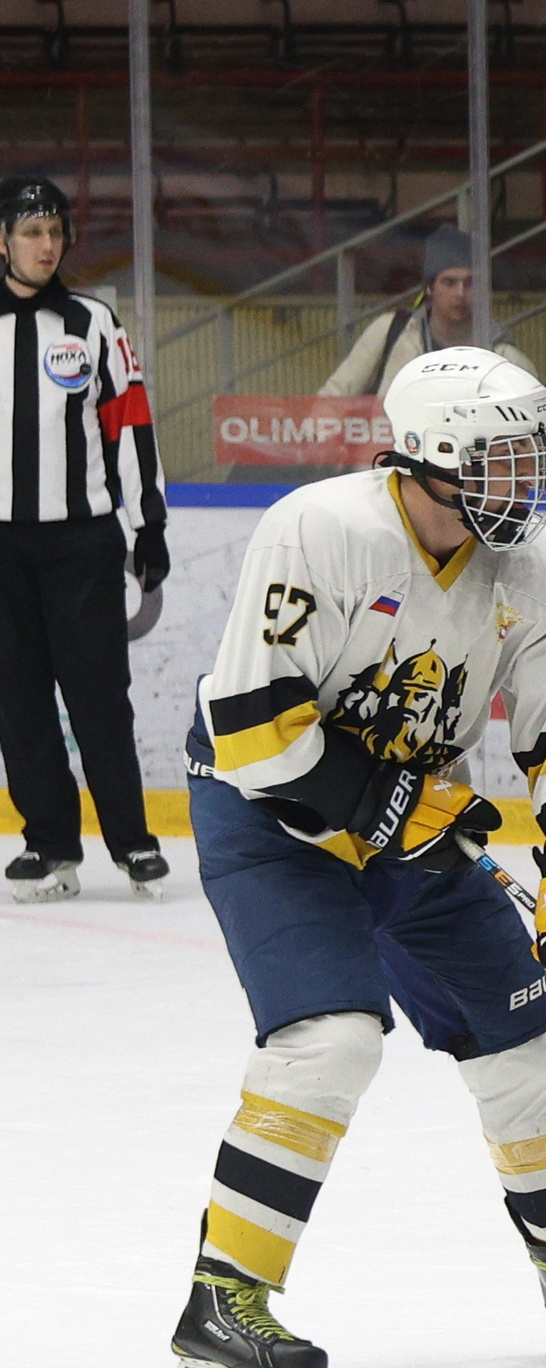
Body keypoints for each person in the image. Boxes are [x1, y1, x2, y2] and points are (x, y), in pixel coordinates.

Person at [165, 348, 546, 1368]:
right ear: (432, 457)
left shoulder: (541, 566)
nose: (531, 480)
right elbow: (253, 725)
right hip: (274, 817)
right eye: (504, 458)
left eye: (533, 453)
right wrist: (393, 807)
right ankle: (223, 1302)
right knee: (330, 1041)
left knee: (530, 1041)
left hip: (414, 819)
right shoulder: (323, 528)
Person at [0, 175, 169, 902]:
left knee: (100, 695)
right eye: (32, 231)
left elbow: (131, 423)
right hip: (3, 547)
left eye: (56, 231)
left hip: (83, 542)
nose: (47, 244)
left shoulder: (93, 323)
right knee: (19, 701)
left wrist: (150, 523)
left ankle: (132, 841)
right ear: (1, 239)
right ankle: (50, 846)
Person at [319, 226, 534, 398]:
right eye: (449, 283)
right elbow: (331, 401)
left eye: (470, 283)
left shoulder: (506, 359)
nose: (460, 293)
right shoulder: (390, 332)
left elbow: (537, 426)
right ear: (430, 288)